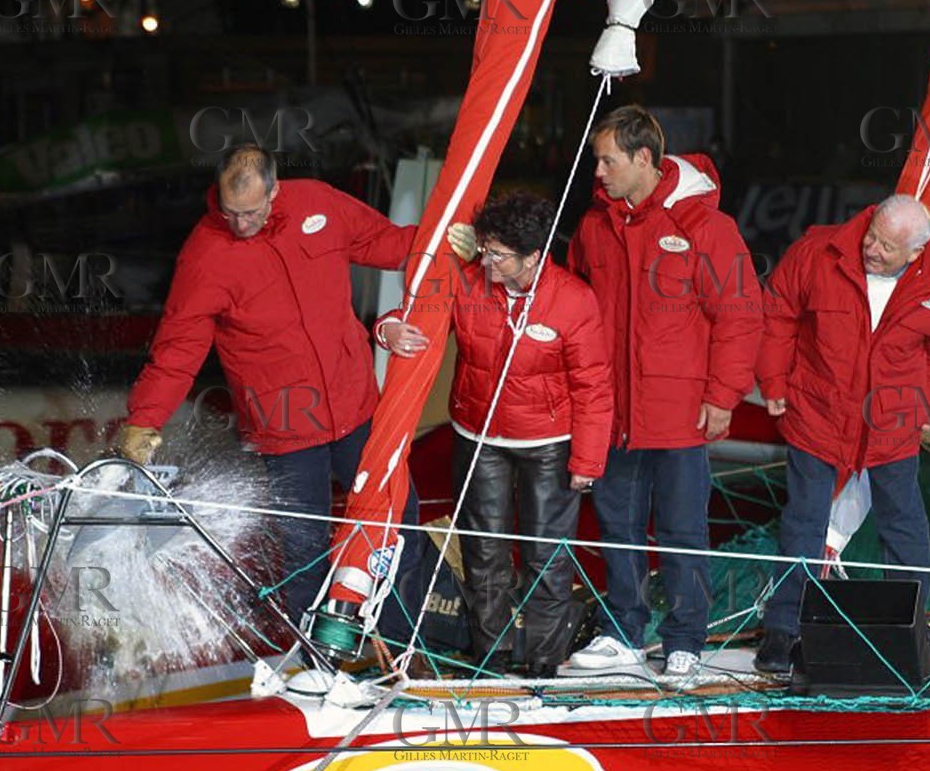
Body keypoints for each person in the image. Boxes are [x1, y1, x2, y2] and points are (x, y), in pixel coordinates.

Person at [120, 146, 419, 625]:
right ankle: (313, 650)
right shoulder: (205, 255)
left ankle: (406, 636)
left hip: (355, 404)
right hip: (285, 426)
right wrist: (144, 420)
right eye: (230, 212)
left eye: (251, 212)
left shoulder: (318, 203)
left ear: (275, 190)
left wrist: (449, 243)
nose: (240, 224)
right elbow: (177, 349)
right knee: (303, 546)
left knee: (398, 519)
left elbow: (387, 242)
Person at [564, 105, 763, 678]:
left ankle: (685, 640)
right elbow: (571, 299)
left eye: (608, 161)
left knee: (682, 531)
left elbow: (740, 315)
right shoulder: (595, 224)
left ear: (643, 158)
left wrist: (723, 396)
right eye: (597, 160)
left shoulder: (705, 227)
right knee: (618, 527)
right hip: (613, 411)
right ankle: (623, 632)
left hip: (679, 414)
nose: (598, 172)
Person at [378, 192, 613, 676]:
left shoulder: (574, 300)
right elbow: (414, 311)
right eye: (484, 250)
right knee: (483, 550)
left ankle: (544, 661)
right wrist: (388, 328)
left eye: (498, 255)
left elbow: (593, 386)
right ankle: (491, 656)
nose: (486, 261)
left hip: (547, 443)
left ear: (533, 257)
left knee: (545, 555)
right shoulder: (468, 282)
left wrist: (587, 462)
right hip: (478, 435)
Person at [754, 195, 930, 672]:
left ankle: (907, 628)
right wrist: (772, 379)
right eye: (872, 236)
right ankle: (783, 628)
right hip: (818, 414)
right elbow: (779, 312)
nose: (872, 249)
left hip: (891, 423)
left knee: (904, 525)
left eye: (887, 247)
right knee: (803, 522)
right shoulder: (818, 251)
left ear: (916, 252)